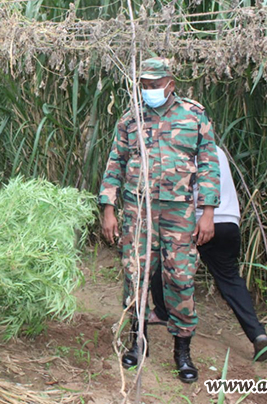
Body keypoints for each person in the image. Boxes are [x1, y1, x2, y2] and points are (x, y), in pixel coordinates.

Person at [99, 57, 220, 383]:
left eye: (155, 85)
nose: (149, 90)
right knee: (134, 275)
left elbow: (208, 163)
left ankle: (182, 351)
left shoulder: (193, 115)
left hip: (178, 212)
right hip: (138, 211)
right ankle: (138, 342)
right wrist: (108, 208)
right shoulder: (131, 118)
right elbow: (115, 163)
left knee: (180, 278)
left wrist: (208, 213)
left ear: (171, 84)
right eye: (145, 85)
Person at [148, 146, 267, 362]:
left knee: (161, 258)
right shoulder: (218, 151)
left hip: (197, 221)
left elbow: (180, 190)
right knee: (230, 279)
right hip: (229, 222)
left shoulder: (183, 148)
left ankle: (161, 312)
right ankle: (257, 334)